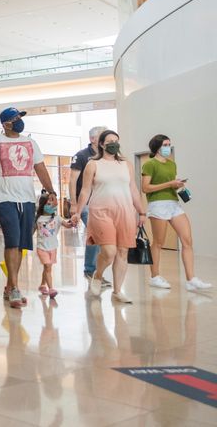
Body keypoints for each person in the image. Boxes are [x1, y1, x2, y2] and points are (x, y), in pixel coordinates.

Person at [0, 107, 57, 310]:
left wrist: (51, 191)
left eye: (20, 118)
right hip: (4, 199)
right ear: (5, 123)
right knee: (12, 240)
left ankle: (9, 285)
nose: (20, 121)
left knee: (21, 244)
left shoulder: (31, 143)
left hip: (28, 199)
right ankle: (14, 287)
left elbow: (40, 168)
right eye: (16, 118)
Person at [72, 130, 146, 304]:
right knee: (109, 251)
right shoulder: (93, 164)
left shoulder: (126, 164)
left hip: (125, 211)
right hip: (100, 211)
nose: (114, 144)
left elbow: (134, 190)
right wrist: (77, 211)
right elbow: (85, 190)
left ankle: (117, 291)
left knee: (122, 251)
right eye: (110, 141)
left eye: (117, 141)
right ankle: (97, 275)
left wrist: (141, 212)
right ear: (102, 144)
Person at [141, 134, 211, 291]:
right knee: (158, 243)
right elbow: (146, 188)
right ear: (157, 147)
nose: (168, 147)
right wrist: (169, 183)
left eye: (169, 144)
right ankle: (155, 276)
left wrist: (177, 185)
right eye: (165, 145)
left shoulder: (172, 164)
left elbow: (169, 184)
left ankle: (191, 279)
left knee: (187, 240)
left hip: (174, 203)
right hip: (157, 205)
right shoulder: (149, 164)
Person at [69, 126, 110, 286]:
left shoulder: (106, 157)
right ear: (93, 139)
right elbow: (73, 180)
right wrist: (74, 204)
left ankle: (94, 272)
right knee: (96, 234)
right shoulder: (81, 156)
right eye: (102, 136)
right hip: (85, 203)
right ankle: (90, 270)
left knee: (101, 237)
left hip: (104, 202)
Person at [35, 192, 73, 299]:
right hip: (42, 248)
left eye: (53, 201)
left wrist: (72, 223)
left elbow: (67, 225)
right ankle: (51, 289)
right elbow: (30, 232)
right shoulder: (38, 219)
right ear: (43, 205)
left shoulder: (57, 218)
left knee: (47, 268)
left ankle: (43, 285)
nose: (52, 204)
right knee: (47, 266)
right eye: (49, 202)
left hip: (52, 248)